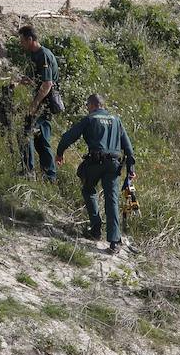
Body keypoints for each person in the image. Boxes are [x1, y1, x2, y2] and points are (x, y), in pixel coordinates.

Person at [56, 93, 137, 254]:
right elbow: (128, 147)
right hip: (113, 165)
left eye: (87, 107)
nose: (87, 109)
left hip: (95, 163)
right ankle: (114, 241)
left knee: (88, 189)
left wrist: (60, 153)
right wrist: (131, 169)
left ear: (92, 105)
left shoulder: (90, 119)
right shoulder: (116, 120)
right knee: (111, 200)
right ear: (103, 105)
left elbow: (69, 137)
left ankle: (96, 227)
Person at [16, 25, 60, 182]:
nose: (21, 44)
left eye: (22, 41)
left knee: (25, 133)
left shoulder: (43, 55)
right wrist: (22, 82)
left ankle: (29, 171)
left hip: (45, 104)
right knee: (41, 141)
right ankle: (49, 176)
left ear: (30, 39)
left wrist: (34, 105)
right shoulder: (34, 55)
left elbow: (47, 84)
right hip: (42, 103)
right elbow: (38, 80)